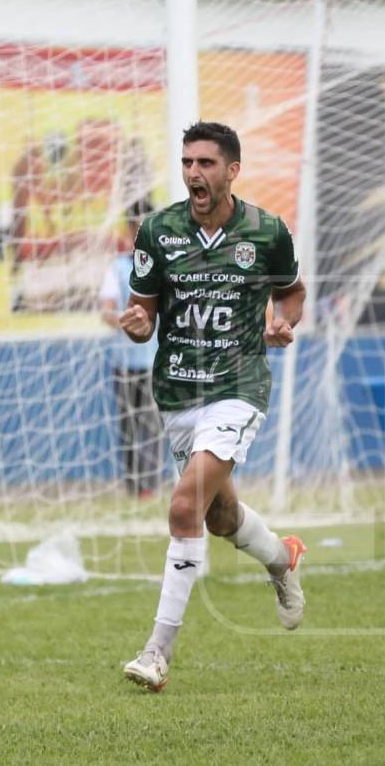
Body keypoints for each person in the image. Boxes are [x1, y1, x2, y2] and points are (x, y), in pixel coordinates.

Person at [119, 121, 307, 691]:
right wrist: (137, 325)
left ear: (231, 170)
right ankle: (282, 560)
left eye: (205, 163)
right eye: (187, 162)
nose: (193, 173)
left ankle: (156, 654)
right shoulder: (159, 231)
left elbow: (292, 293)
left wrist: (283, 322)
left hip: (238, 386)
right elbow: (143, 311)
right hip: (179, 392)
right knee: (219, 516)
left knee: (182, 507)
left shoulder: (266, 231)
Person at [98, 198, 166, 498]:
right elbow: (107, 310)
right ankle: (132, 485)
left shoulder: (166, 266)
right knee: (129, 427)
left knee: (153, 427)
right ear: (129, 228)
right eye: (137, 226)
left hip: (157, 361)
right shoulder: (118, 267)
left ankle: (149, 486)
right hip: (125, 361)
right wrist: (125, 320)